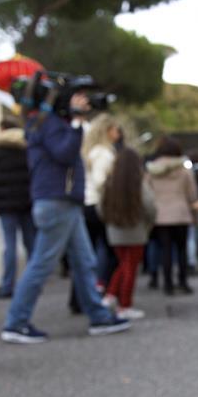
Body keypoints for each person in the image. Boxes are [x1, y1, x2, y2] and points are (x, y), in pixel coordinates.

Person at [0, 92, 131, 343]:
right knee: (42, 264)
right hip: (57, 201)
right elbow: (65, 153)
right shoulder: (51, 124)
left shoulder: (42, 122)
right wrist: (76, 121)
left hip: (62, 202)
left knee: (84, 261)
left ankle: (99, 317)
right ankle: (16, 322)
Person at [97, 147, 157, 319]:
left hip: (114, 231)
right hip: (136, 230)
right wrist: (149, 223)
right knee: (130, 267)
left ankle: (111, 295)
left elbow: (101, 208)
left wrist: (109, 222)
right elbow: (150, 207)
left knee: (123, 264)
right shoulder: (139, 182)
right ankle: (124, 305)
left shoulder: (109, 182)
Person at [0, 116, 35, 299]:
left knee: (9, 245)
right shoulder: (27, 144)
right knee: (30, 243)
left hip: (5, 202)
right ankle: (33, 282)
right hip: (26, 201)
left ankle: (8, 285)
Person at [146, 136, 198, 296]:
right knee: (181, 249)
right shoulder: (184, 170)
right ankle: (183, 281)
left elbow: (147, 193)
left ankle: (167, 284)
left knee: (165, 250)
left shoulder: (151, 170)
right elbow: (192, 194)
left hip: (160, 215)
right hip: (181, 214)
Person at [78, 113, 120, 303]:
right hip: (98, 206)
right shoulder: (103, 153)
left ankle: (80, 297)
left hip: (88, 204)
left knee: (88, 254)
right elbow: (100, 181)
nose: (117, 133)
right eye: (114, 129)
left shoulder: (91, 151)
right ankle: (102, 290)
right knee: (109, 252)